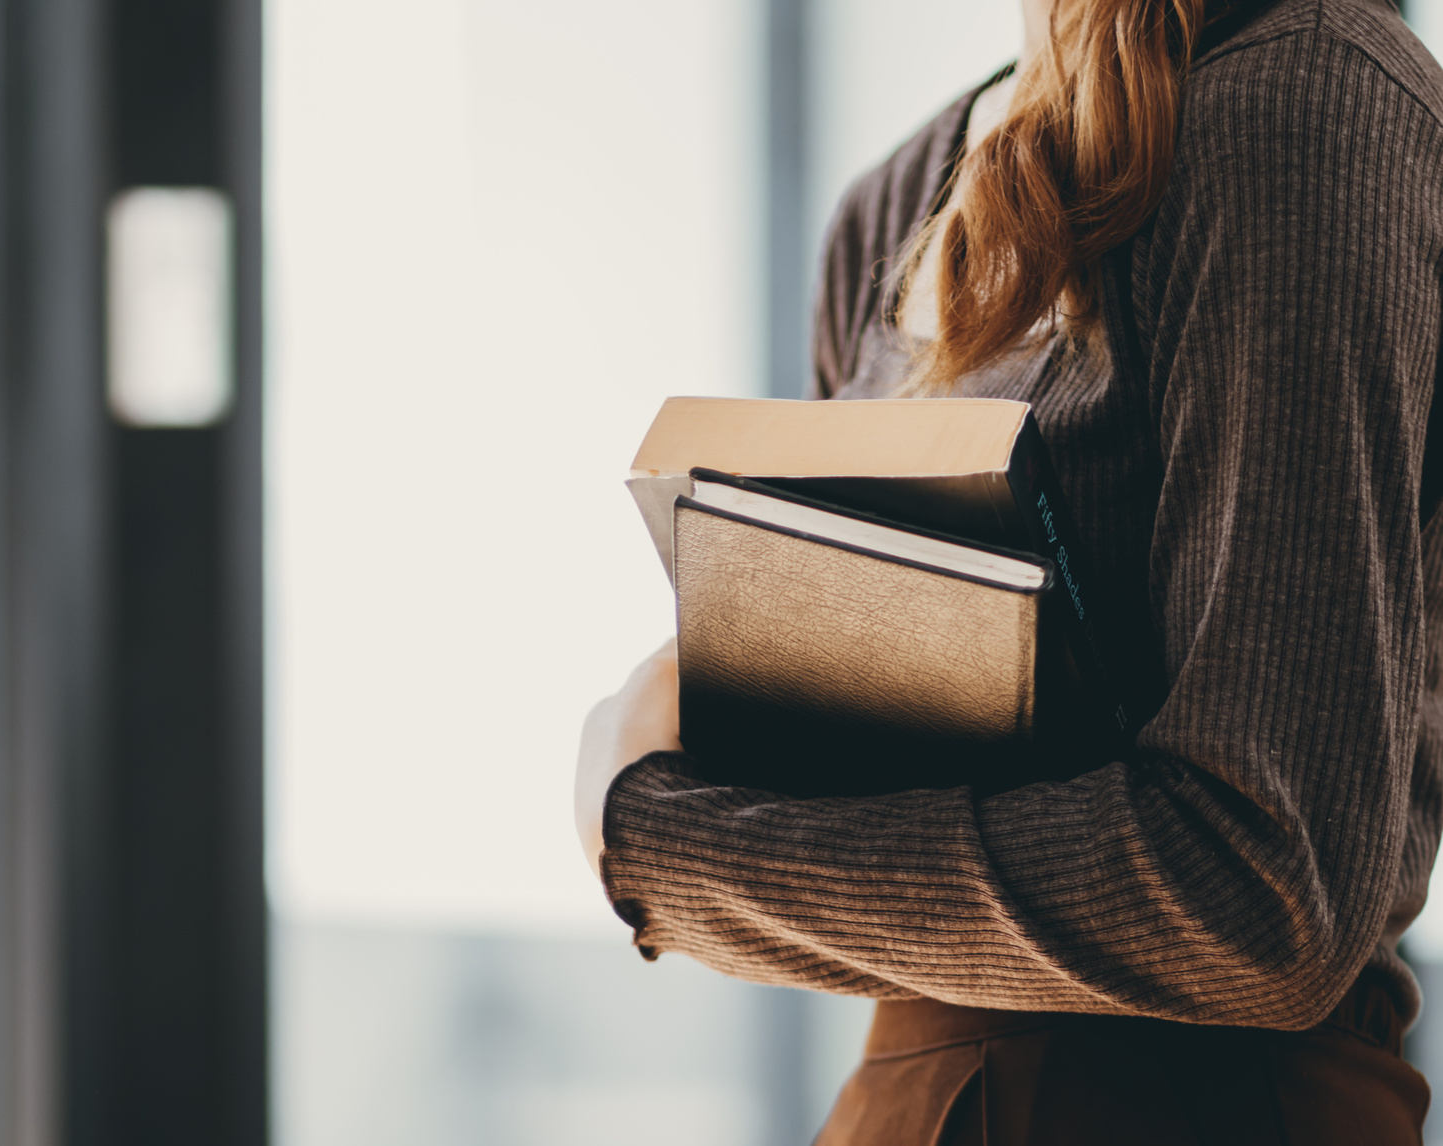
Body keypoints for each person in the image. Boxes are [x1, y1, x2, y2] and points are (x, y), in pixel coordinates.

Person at [574, 0, 1443, 1140]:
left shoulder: (1301, 100)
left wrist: (664, 844)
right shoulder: (890, 205)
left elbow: (1264, 897)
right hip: (902, 1101)